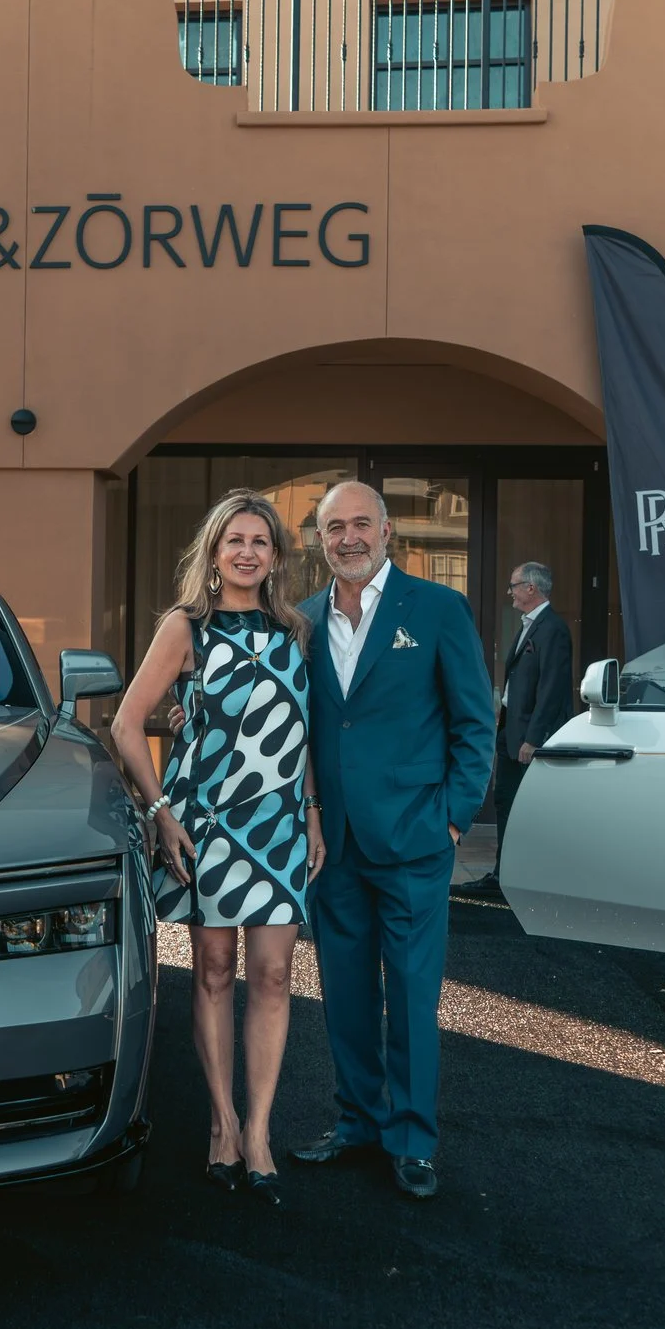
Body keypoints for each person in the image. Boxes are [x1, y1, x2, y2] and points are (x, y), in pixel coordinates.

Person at [112, 490, 325, 1208]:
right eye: (234, 539)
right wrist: (162, 812)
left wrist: (315, 815)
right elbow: (126, 723)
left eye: (260, 542)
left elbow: (306, 732)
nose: (246, 552)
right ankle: (221, 1124)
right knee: (211, 969)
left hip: (281, 825)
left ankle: (260, 1130)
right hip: (207, 822)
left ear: (275, 557)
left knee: (271, 976)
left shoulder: (295, 630)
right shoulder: (187, 626)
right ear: (213, 550)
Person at [291, 481, 493, 1201]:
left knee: (410, 997)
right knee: (343, 997)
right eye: (334, 527)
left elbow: (475, 722)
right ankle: (356, 1124)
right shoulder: (304, 621)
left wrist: (452, 817)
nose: (348, 537)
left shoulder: (437, 608)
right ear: (320, 540)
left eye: (360, 524)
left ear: (387, 531)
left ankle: (411, 1140)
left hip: (414, 838)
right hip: (334, 846)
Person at [493, 561, 574, 833]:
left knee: (524, 807)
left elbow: (552, 689)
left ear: (530, 587)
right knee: (505, 801)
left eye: (514, 586)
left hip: (529, 738)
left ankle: (513, 873)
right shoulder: (528, 624)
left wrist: (533, 739)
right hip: (510, 730)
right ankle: (499, 873)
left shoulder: (552, 628)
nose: (510, 592)